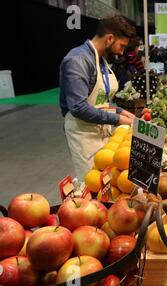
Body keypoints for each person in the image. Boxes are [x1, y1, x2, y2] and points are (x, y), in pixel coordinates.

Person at [59, 15, 136, 180]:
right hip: (84, 135)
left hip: (102, 131)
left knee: (107, 182)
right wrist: (117, 119)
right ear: (109, 38)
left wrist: (121, 111)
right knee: (93, 183)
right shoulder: (78, 61)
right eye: (122, 46)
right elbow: (79, 107)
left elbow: (100, 101)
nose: (122, 51)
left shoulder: (101, 61)